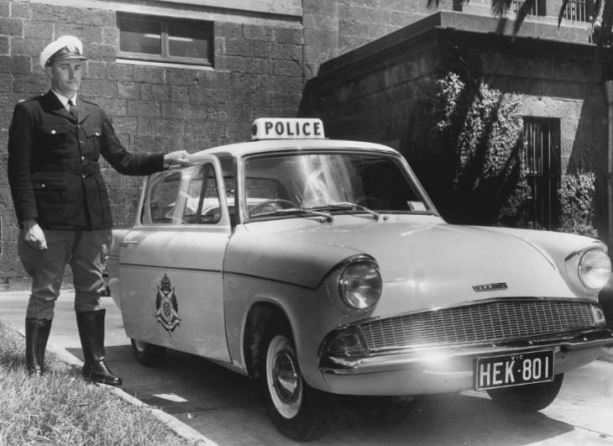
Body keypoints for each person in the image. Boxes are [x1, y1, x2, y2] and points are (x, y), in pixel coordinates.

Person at [7, 35, 190, 386]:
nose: (73, 74)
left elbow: (121, 160)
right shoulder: (31, 111)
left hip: (93, 220)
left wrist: (163, 160)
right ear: (50, 70)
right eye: (65, 67)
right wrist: (29, 221)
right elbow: (19, 171)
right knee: (46, 290)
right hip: (52, 220)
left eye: (78, 68)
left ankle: (95, 364)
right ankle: (35, 369)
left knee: (92, 289)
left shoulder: (94, 113)